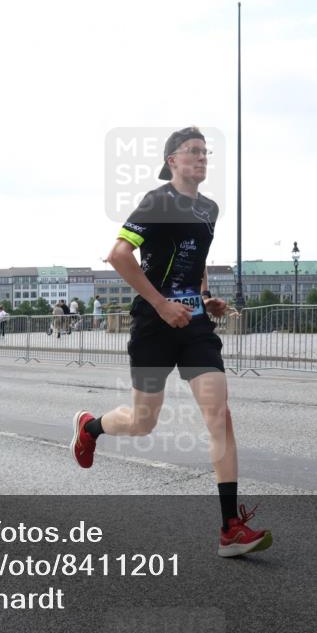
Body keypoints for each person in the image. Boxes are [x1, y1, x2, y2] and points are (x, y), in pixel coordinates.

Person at [70, 127, 271, 558]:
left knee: (220, 413)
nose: (201, 158)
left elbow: (193, 262)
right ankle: (90, 427)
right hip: (153, 324)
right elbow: (119, 255)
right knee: (144, 421)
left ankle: (229, 527)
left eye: (205, 152)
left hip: (195, 325)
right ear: (172, 160)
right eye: (192, 152)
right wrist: (162, 305)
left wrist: (204, 296)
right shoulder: (156, 202)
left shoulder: (209, 209)